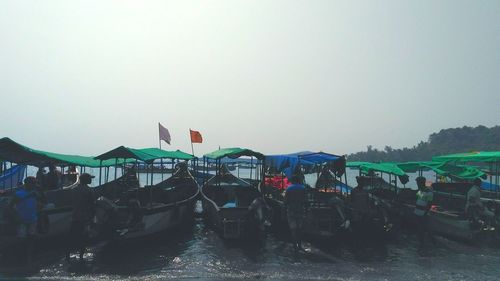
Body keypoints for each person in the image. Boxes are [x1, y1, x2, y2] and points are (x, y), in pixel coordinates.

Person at [66, 173, 95, 261]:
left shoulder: (74, 189)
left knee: (72, 236)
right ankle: (81, 256)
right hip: (85, 217)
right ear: (86, 180)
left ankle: (67, 255)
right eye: (90, 178)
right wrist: (93, 216)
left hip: (75, 216)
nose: (91, 180)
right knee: (84, 237)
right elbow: (92, 204)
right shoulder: (89, 190)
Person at [284, 174, 307, 251]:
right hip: (300, 210)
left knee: (293, 229)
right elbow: (306, 201)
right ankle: (299, 245)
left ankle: (295, 246)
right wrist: (306, 211)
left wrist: (284, 210)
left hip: (291, 211)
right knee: (299, 229)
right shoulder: (303, 188)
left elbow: (286, 201)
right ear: (299, 180)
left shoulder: (289, 188)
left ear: (292, 181)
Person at [414, 176, 434, 247]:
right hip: (417, 212)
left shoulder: (429, 192)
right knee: (418, 228)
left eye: (418, 182)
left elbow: (429, 204)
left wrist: (425, 213)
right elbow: (417, 199)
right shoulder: (420, 191)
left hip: (422, 213)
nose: (417, 184)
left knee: (422, 228)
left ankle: (424, 243)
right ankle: (421, 242)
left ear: (421, 183)